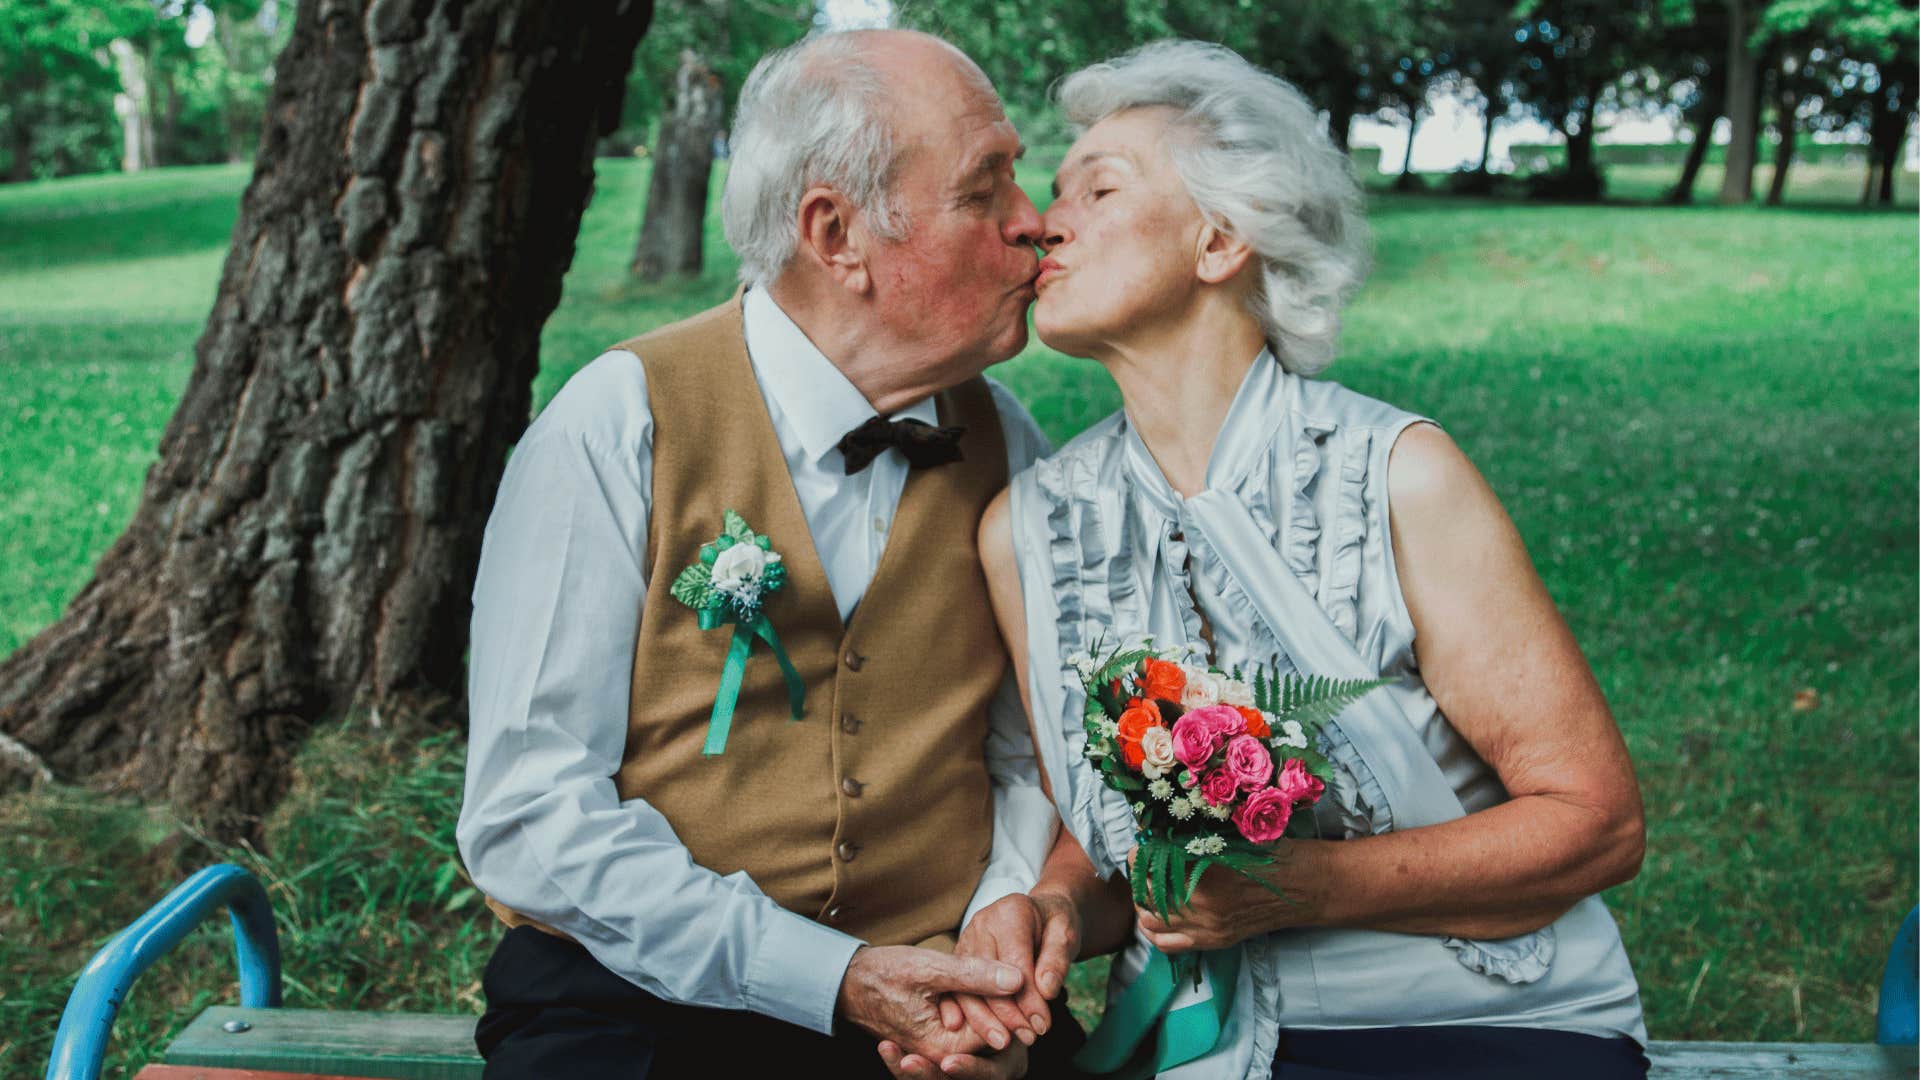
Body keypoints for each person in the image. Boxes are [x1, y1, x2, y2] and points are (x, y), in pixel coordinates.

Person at [974, 40, 1652, 1079]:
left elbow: (1596, 826)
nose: (1042, 222)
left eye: (1099, 189)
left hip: (1478, 1030)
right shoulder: (1024, 530)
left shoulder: (1401, 476)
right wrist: (1054, 908)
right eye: (1053, 192)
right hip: (1188, 1047)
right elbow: (1109, 845)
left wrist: (1308, 888)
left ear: (1221, 242)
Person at [457, 29, 1089, 1079]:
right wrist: (829, 975)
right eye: (987, 192)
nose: (1035, 223)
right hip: (638, 998)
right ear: (835, 234)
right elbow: (529, 817)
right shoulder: (619, 425)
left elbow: (1029, 756)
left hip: (937, 1010)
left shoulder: (1014, 447)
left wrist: (994, 941)